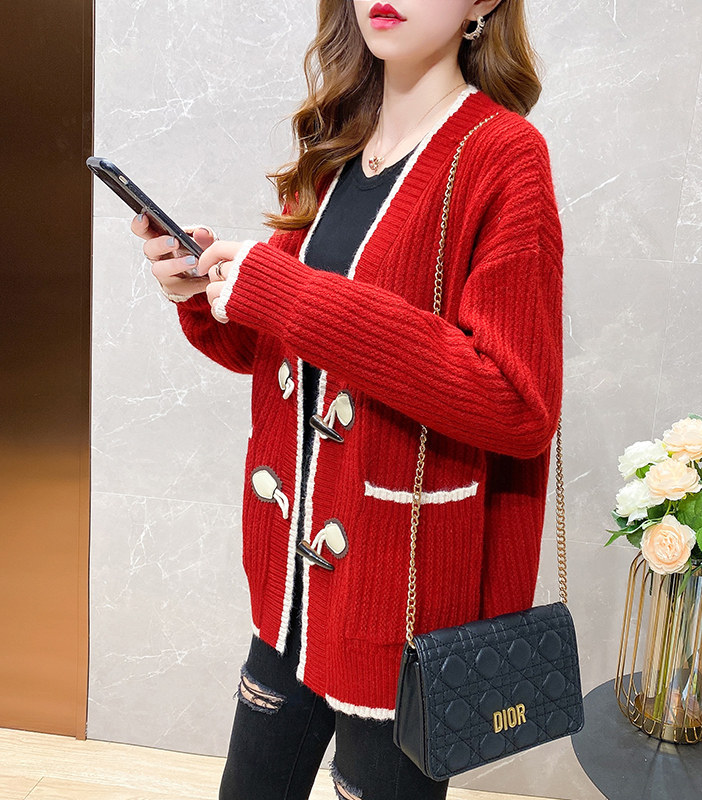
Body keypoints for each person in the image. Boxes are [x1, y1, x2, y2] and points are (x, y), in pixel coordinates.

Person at [132, 0, 563, 797]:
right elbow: (279, 351)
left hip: (398, 598)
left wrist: (287, 291)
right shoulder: (342, 144)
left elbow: (515, 401)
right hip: (293, 588)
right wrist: (200, 292)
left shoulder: (502, 154)